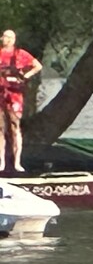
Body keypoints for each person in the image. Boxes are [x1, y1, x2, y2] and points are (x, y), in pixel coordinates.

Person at [0, 29, 43, 172]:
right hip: (1, 93)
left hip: (15, 94)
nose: (8, 39)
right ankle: (2, 162)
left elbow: (37, 66)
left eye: (11, 37)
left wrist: (26, 76)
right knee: (1, 128)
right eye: (6, 37)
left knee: (15, 126)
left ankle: (17, 162)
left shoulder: (20, 54)